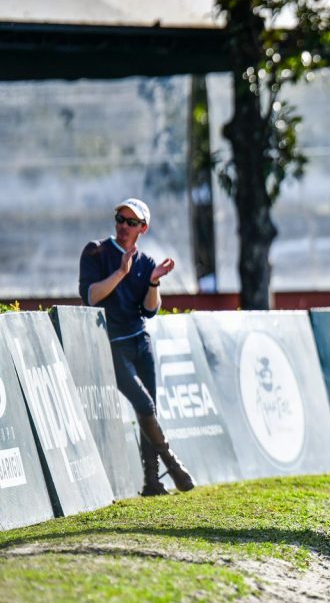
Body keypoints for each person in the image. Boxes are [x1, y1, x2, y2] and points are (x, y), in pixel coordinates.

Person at [78, 197, 194, 497]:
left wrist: (154, 283)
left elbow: (150, 311)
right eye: (120, 218)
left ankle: (152, 482)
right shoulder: (96, 251)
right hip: (112, 345)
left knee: (149, 411)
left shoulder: (146, 263)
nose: (123, 226)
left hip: (140, 342)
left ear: (143, 228)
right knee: (144, 405)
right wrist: (121, 272)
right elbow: (91, 297)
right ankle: (173, 463)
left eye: (131, 222)